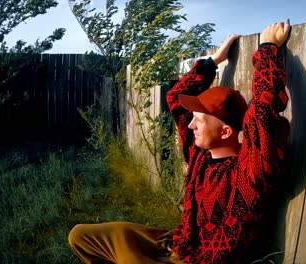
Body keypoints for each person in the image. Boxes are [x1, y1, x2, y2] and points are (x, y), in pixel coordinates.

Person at [68, 19, 291, 264]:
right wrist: (213, 62)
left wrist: (268, 48)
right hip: (175, 244)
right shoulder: (199, 154)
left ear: (226, 132)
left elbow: (262, 112)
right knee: (81, 236)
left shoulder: (249, 172)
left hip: (198, 261)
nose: (191, 125)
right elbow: (175, 98)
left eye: (199, 120)